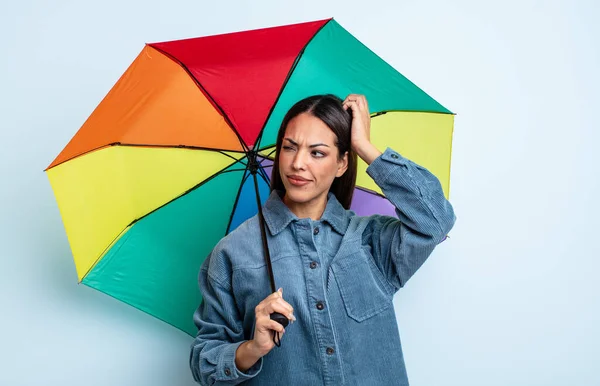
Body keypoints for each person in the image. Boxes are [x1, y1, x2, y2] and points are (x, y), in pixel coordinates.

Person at [189, 94, 456, 385]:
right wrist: (252, 348)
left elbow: (435, 219)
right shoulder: (233, 253)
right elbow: (205, 366)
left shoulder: (372, 240)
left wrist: (364, 147)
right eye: (289, 148)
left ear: (342, 163)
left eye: (317, 153)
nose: (298, 164)